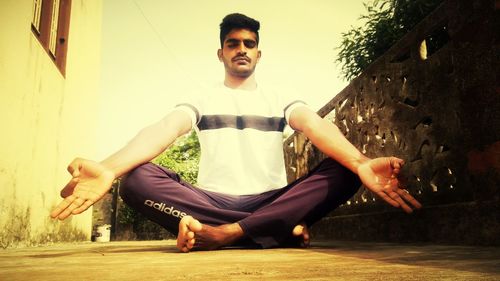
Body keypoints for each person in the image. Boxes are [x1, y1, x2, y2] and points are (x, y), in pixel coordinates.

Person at [50, 13, 422, 252]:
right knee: (135, 180)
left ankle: (228, 234)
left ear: (259, 53)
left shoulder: (279, 97)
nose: (241, 49)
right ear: (221, 53)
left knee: (344, 170)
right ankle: (268, 232)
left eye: (248, 44)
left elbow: (315, 124)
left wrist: (359, 162)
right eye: (233, 44)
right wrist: (109, 168)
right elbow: (164, 129)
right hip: (210, 202)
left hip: (269, 200)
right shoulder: (202, 97)